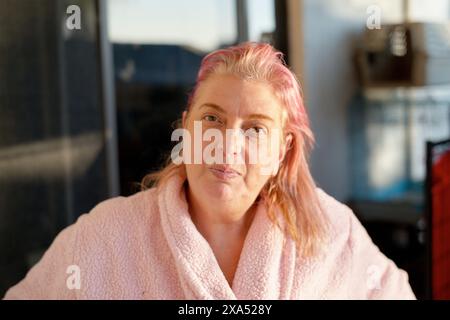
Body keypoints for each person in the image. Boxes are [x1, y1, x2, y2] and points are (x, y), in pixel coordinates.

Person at [3, 42, 415, 299]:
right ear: (186, 128)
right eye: (213, 120)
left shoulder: (331, 236)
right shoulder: (103, 239)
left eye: (255, 128)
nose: (228, 146)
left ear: (281, 150)